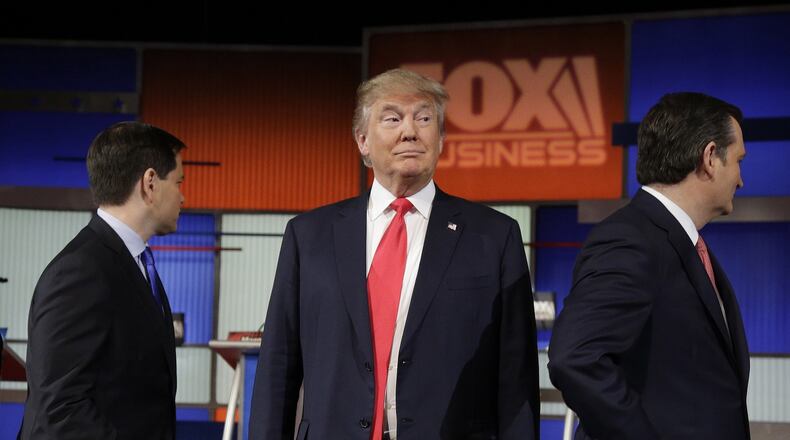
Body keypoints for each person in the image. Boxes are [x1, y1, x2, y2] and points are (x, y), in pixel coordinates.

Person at [249, 69, 539, 440]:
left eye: (424, 117)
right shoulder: (309, 236)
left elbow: (516, 376)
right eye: (392, 118)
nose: (410, 131)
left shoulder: (494, 236)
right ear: (363, 140)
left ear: (441, 139)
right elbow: (279, 365)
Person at [548, 92, 750, 439]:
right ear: (710, 158)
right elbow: (576, 357)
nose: (741, 179)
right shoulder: (631, 239)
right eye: (738, 161)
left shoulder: (678, 242)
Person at [20, 121, 186, 439]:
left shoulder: (135, 263)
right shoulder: (81, 271)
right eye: (179, 182)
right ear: (150, 183)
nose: (183, 197)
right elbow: (60, 408)